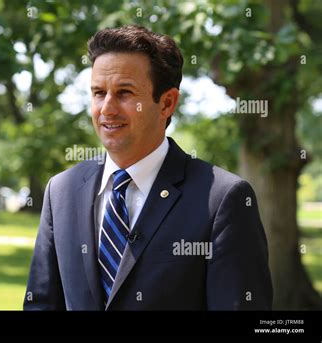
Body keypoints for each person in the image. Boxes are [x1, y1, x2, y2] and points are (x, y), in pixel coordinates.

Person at [23, 25, 272, 310]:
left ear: (167, 103)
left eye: (124, 93)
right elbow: (41, 304)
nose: (107, 108)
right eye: (98, 93)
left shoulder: (223, 199)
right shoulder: (61, 191)